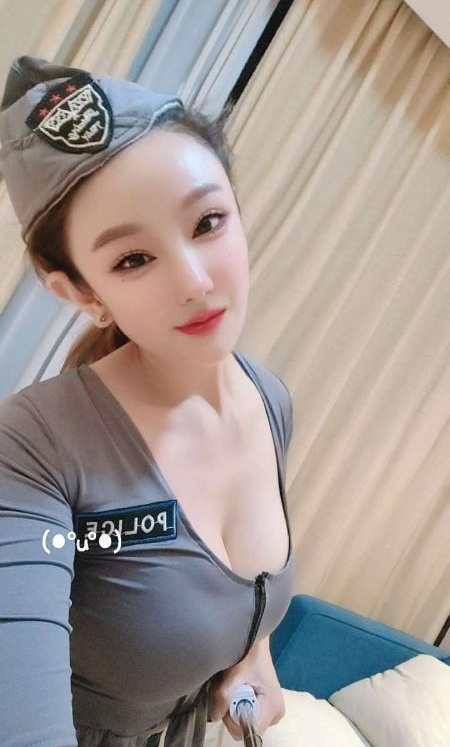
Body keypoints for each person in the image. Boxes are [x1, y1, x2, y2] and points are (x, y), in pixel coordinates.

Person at [0, 56, 295, 747]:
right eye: (132, 259)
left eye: (208, 222)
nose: (194, 282)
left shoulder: (269, 400)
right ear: (80, 291)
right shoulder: (32, 448)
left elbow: (235, 594)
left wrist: (252, 663)